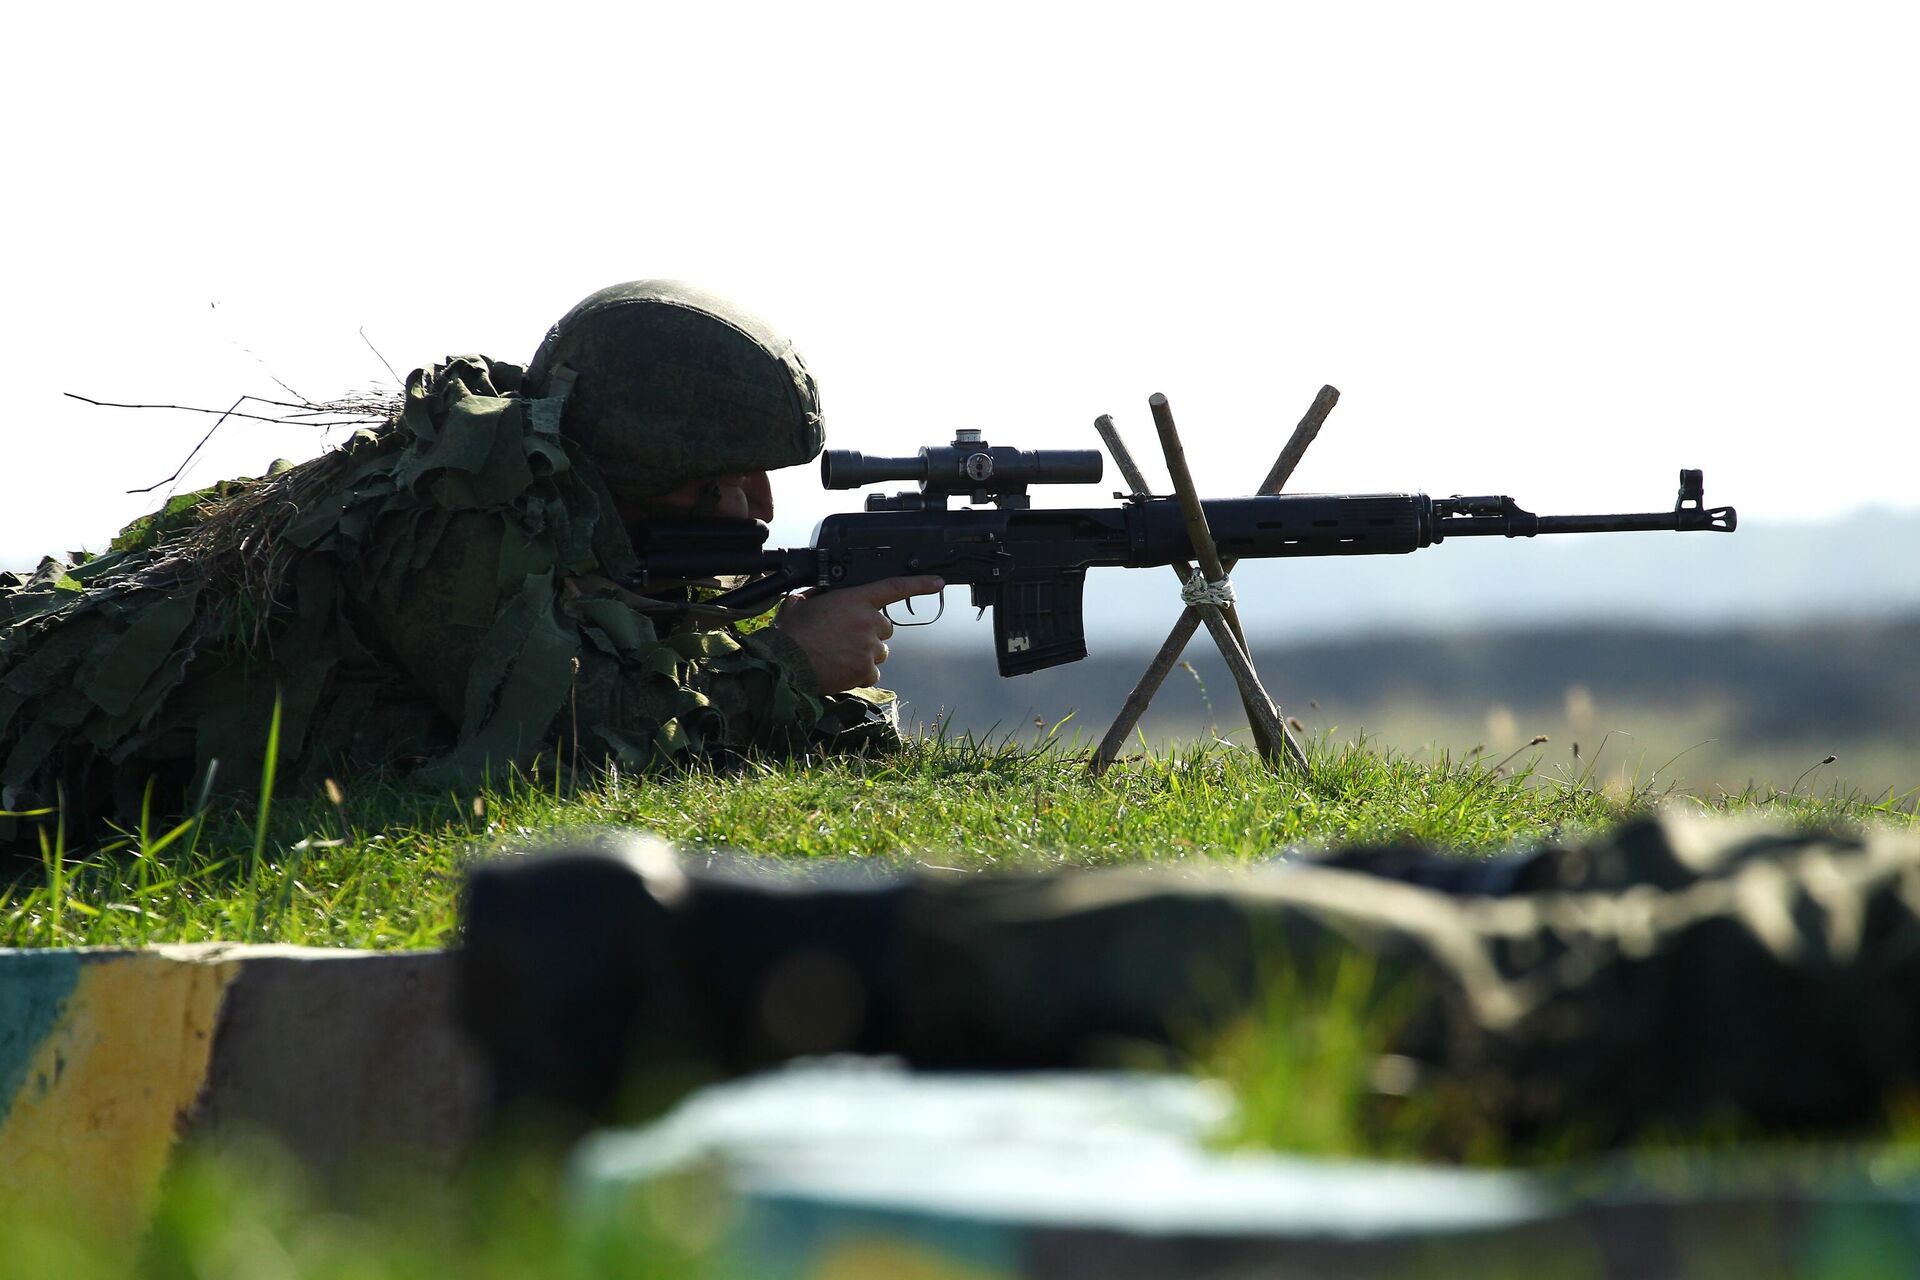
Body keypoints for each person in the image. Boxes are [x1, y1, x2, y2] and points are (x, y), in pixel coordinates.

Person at [0, 281, 940, 843]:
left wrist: (810, 681)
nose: (757, 511)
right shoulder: (455, 528)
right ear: (640, 468)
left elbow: (682, 695)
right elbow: (569, 745)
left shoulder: (598, 533)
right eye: (718, 481)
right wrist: (786, 665)